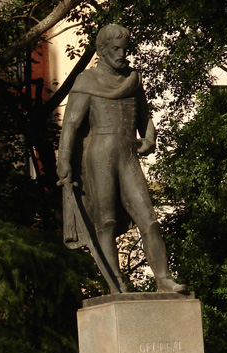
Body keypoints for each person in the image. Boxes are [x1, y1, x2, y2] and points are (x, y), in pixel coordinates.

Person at [57, 24, 187, 294]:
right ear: (102, 50)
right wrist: (64, 160)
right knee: (105, 221)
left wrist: (150, 138)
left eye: (124, 49)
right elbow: (70, 125)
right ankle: (116, 283)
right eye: (115, 49)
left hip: (127, 154)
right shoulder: (86, 81)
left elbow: (145, 116)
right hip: (100, 154)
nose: (122, 54)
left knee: (148, 218)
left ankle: (164, 279)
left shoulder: (133, 79)